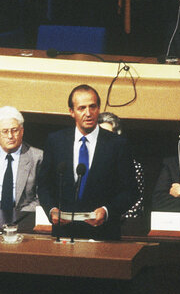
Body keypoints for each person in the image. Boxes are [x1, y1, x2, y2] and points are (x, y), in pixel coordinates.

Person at [37, 85, 137, 240]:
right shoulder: (56, 141)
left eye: (93, 107)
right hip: (64, 233)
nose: (88, 113)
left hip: (104, 234)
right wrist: (51, 210)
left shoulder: (118, 144)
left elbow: (131, 191)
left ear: (99, 109)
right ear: (71, 112)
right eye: (81, 108)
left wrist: (107, 210)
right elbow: (44, 186)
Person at [97, 112, 145, 218]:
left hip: (119, 225)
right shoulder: (85, 164)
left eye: (108, 135)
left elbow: (135, 204)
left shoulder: (133, 166)